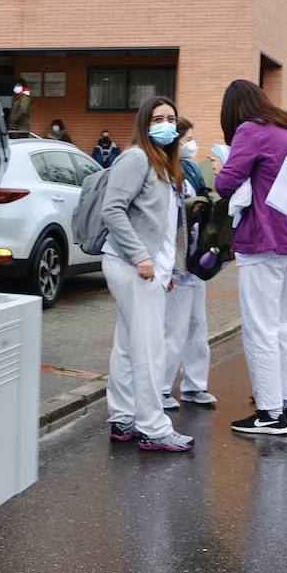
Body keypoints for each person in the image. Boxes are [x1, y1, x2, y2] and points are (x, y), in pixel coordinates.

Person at [214, 81, 287, 437]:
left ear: (233, 110)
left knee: (261, 329)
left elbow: (225, 185)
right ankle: (284, 405)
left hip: (265, 239)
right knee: (286, 328)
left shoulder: (251, 130)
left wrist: (226, 166)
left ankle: (268, 413)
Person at [101, 96, 193, 452]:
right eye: (158, 118)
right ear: (144, 123)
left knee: (127, 345)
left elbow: (166, 227)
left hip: (150, 268)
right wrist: (141, 257)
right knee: (149, 349)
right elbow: (113, 209)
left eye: (171, 118)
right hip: (132, 266)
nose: (166, 124)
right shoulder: (136, 157)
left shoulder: (165, 166)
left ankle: (123, 418)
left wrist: (168, 267)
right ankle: (154, 428)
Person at [160, 117, 217, 411]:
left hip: (196, 258)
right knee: (175, 328)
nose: (191, 144)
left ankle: (195, 386)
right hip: (177, 261)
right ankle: (161, 387)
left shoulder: (193, 168)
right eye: (186, 139)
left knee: (197, 326)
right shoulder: (165, 170)